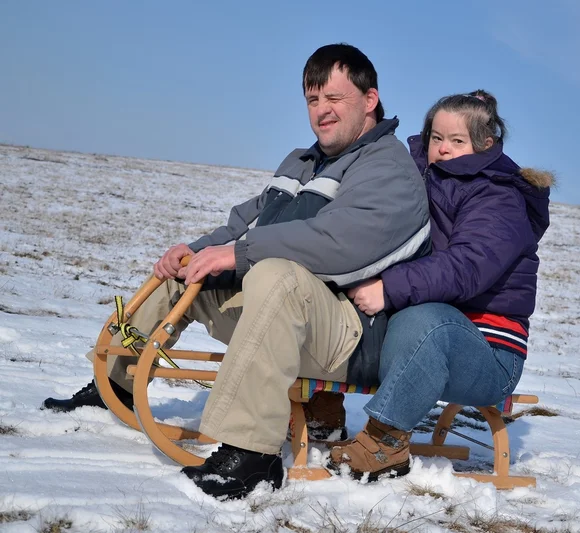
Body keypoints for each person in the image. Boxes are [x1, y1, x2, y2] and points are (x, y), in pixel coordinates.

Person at [43, 43, 430, 499]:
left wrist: (238, 255)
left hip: (347, 334)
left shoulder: (390, 169)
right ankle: (117, 382)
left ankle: (252, 455)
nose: (321, 111)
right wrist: (197, 251)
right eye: (312, 100)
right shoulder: (302, 161)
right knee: (190, 272)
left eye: (334, 99)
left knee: (277, 276)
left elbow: (339, 244)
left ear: (370, 100)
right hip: (280, 314)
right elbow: (246, 221)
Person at [327, 90, 553, 480]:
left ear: (486, 144)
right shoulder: (415, 178)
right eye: (436, 138)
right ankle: (322, 407)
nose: (443, 149)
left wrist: (389, 287)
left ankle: (385, 442)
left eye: (456, 140)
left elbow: (467, 267)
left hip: (487, 352)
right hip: (420, 332)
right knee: (339, 297)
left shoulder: (500, 197)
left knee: (428, 320)